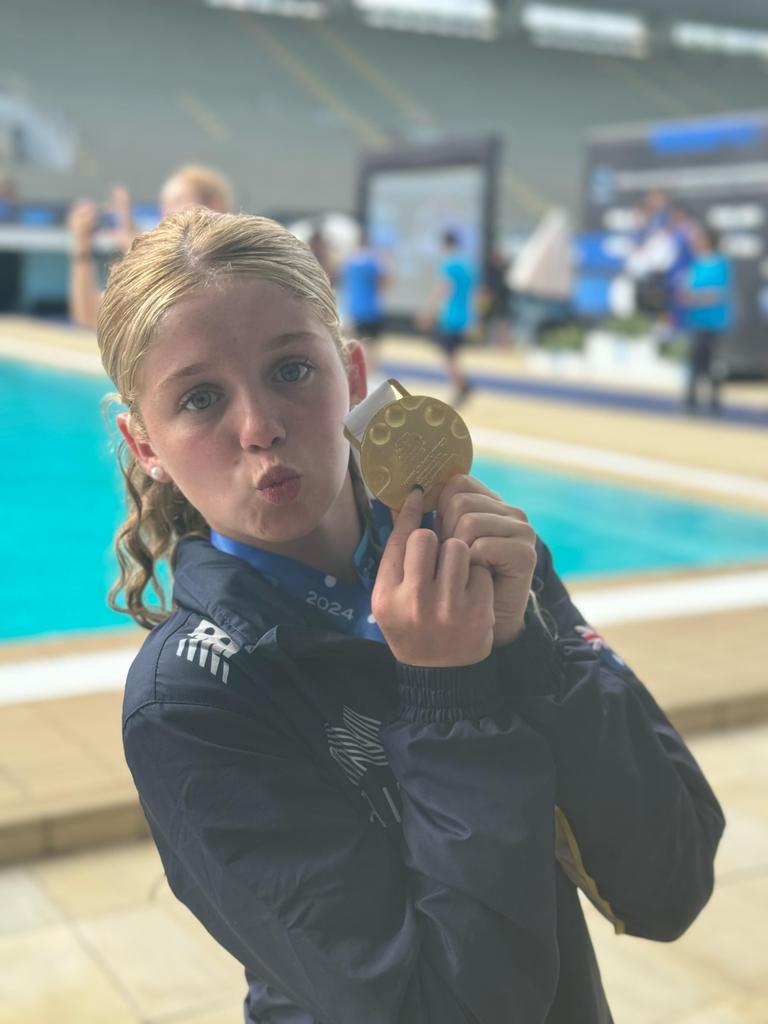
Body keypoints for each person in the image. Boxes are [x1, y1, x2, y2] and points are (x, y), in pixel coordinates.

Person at [97, 208, 724, 1024]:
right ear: (145, 444)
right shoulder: (191, 705)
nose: (259, 429)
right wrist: (448, 695)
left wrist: (529, 652)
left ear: (353, 378)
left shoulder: (485, 560)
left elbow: (671, 884)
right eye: (201, 398)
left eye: (292, 371)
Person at [68, 163, 232, 329]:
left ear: (214, 205)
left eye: (178, 200)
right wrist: (83, 247)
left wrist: (137, 254)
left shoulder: (231, 263)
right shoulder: (168, 267)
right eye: (164, 206)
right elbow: (89, 316)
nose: (167, 213)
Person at [418, 228, 476, 406]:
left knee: (448, 356)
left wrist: (428, 311)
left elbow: (443, 288)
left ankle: (463, 386)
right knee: (452, 354)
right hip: (464, 316)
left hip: (451, 316)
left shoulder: (449, 264)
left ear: (445, 244)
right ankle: (461, 386)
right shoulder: (467, 265)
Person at [679, 224, 733, 412]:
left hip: (714, 322)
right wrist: (688, 296)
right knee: (695, 361)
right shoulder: (696, 263)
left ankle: (714, 401)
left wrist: (698, 297)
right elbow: (688, 289)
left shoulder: (721, 264)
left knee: (713, 362)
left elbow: (718, 292)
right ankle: (691, 399)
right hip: (697, 320)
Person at [340, 226, 387, 374]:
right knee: (372, 344)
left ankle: (353, 372)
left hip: (354, 308)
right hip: (371, 308)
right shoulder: (374, 261)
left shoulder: (349, 261)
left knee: (352, 343)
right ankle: (371, 373)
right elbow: (382, 283)